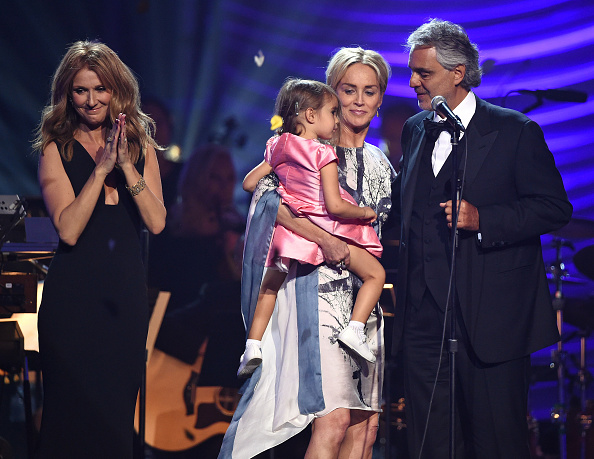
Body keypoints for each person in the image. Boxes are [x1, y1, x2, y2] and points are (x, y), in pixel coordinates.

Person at [390, 19, 573, 458]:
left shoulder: (515, 131)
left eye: (424, 73)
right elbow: (403, 211)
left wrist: (483, 218)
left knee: (496, 445)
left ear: (458, 73)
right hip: (424, 322)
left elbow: (554, 207)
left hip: (492, 322)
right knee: (430, 446)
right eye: (412, 72)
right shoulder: (415, 129)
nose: (413, 82)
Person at [219, 47, 394, 459]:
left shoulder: (382, 163)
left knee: (365, 429)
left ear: (380, 99)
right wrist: (325, 240)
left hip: (365, 304)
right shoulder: (300, 150)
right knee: (332, 420)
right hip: (316, 293)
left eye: (369, 91)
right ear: (329, 95)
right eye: (348, 90)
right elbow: (266, 202)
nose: (358, 101)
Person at [33, 40, 166, 458]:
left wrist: (125, 166)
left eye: (100, 89)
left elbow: (157, 222)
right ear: (67, 94)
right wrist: (101, 169)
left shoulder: (140, 148)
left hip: (123, 303)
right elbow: (69, 230)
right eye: (80, 90)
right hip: (71, 305)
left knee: (115, 424)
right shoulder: (57, 149)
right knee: (68, 423)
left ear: (116, 90)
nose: (91, 101)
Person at [237, 78, 385, 377]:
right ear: (310, 115)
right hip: (327, 227)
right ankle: (355, 329)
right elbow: (335, 206)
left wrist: (284, 191)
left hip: (291, 230)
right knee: (376, 274)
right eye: (333, 112)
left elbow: (250, 183)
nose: (337, 120)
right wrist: (364, 212)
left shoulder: (277, 145)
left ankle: (252, 346)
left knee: (269, 287)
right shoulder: (323, 153)